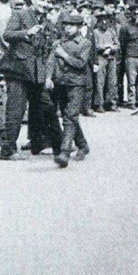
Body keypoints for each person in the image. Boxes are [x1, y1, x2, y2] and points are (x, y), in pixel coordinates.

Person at [0, 0, 62, 161]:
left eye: (48, 1)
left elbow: (48, 50)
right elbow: (7, 34)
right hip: (17, 71)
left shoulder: (47, 22)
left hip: (36, 72)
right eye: (42, 0)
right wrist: (27, 33)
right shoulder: (20, 14)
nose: (45, 4)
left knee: (44, 107)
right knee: (15, 111)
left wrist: (47, 75)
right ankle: (8, 150)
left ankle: (44, 144)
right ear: (33, 0)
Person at [45, 15, 92, 168]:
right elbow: (51, 61)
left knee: (70, 116)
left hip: (77, 84)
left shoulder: (85, 43)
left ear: (79, 27)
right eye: (66, 26)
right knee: (69, 115)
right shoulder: (58, 43)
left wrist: (64, 55)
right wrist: (48, 78)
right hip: (61, 83)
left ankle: (64, 152)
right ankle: (83, 145)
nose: (68, 28)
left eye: (72, 26)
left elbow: (81, 64)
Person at [92, 7, 120, 112]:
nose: (104, 23)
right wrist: (105, 47)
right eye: (101, 20)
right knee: (100, 82)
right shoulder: (95, 32)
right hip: (100, 58)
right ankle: (99, 104)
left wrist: (111, 48)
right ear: (98, 22)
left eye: (106, 20)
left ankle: (111, 103)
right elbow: (94, 46)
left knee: (112, 81)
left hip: (111, 58)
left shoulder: (112, 32)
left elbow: (117, 45)